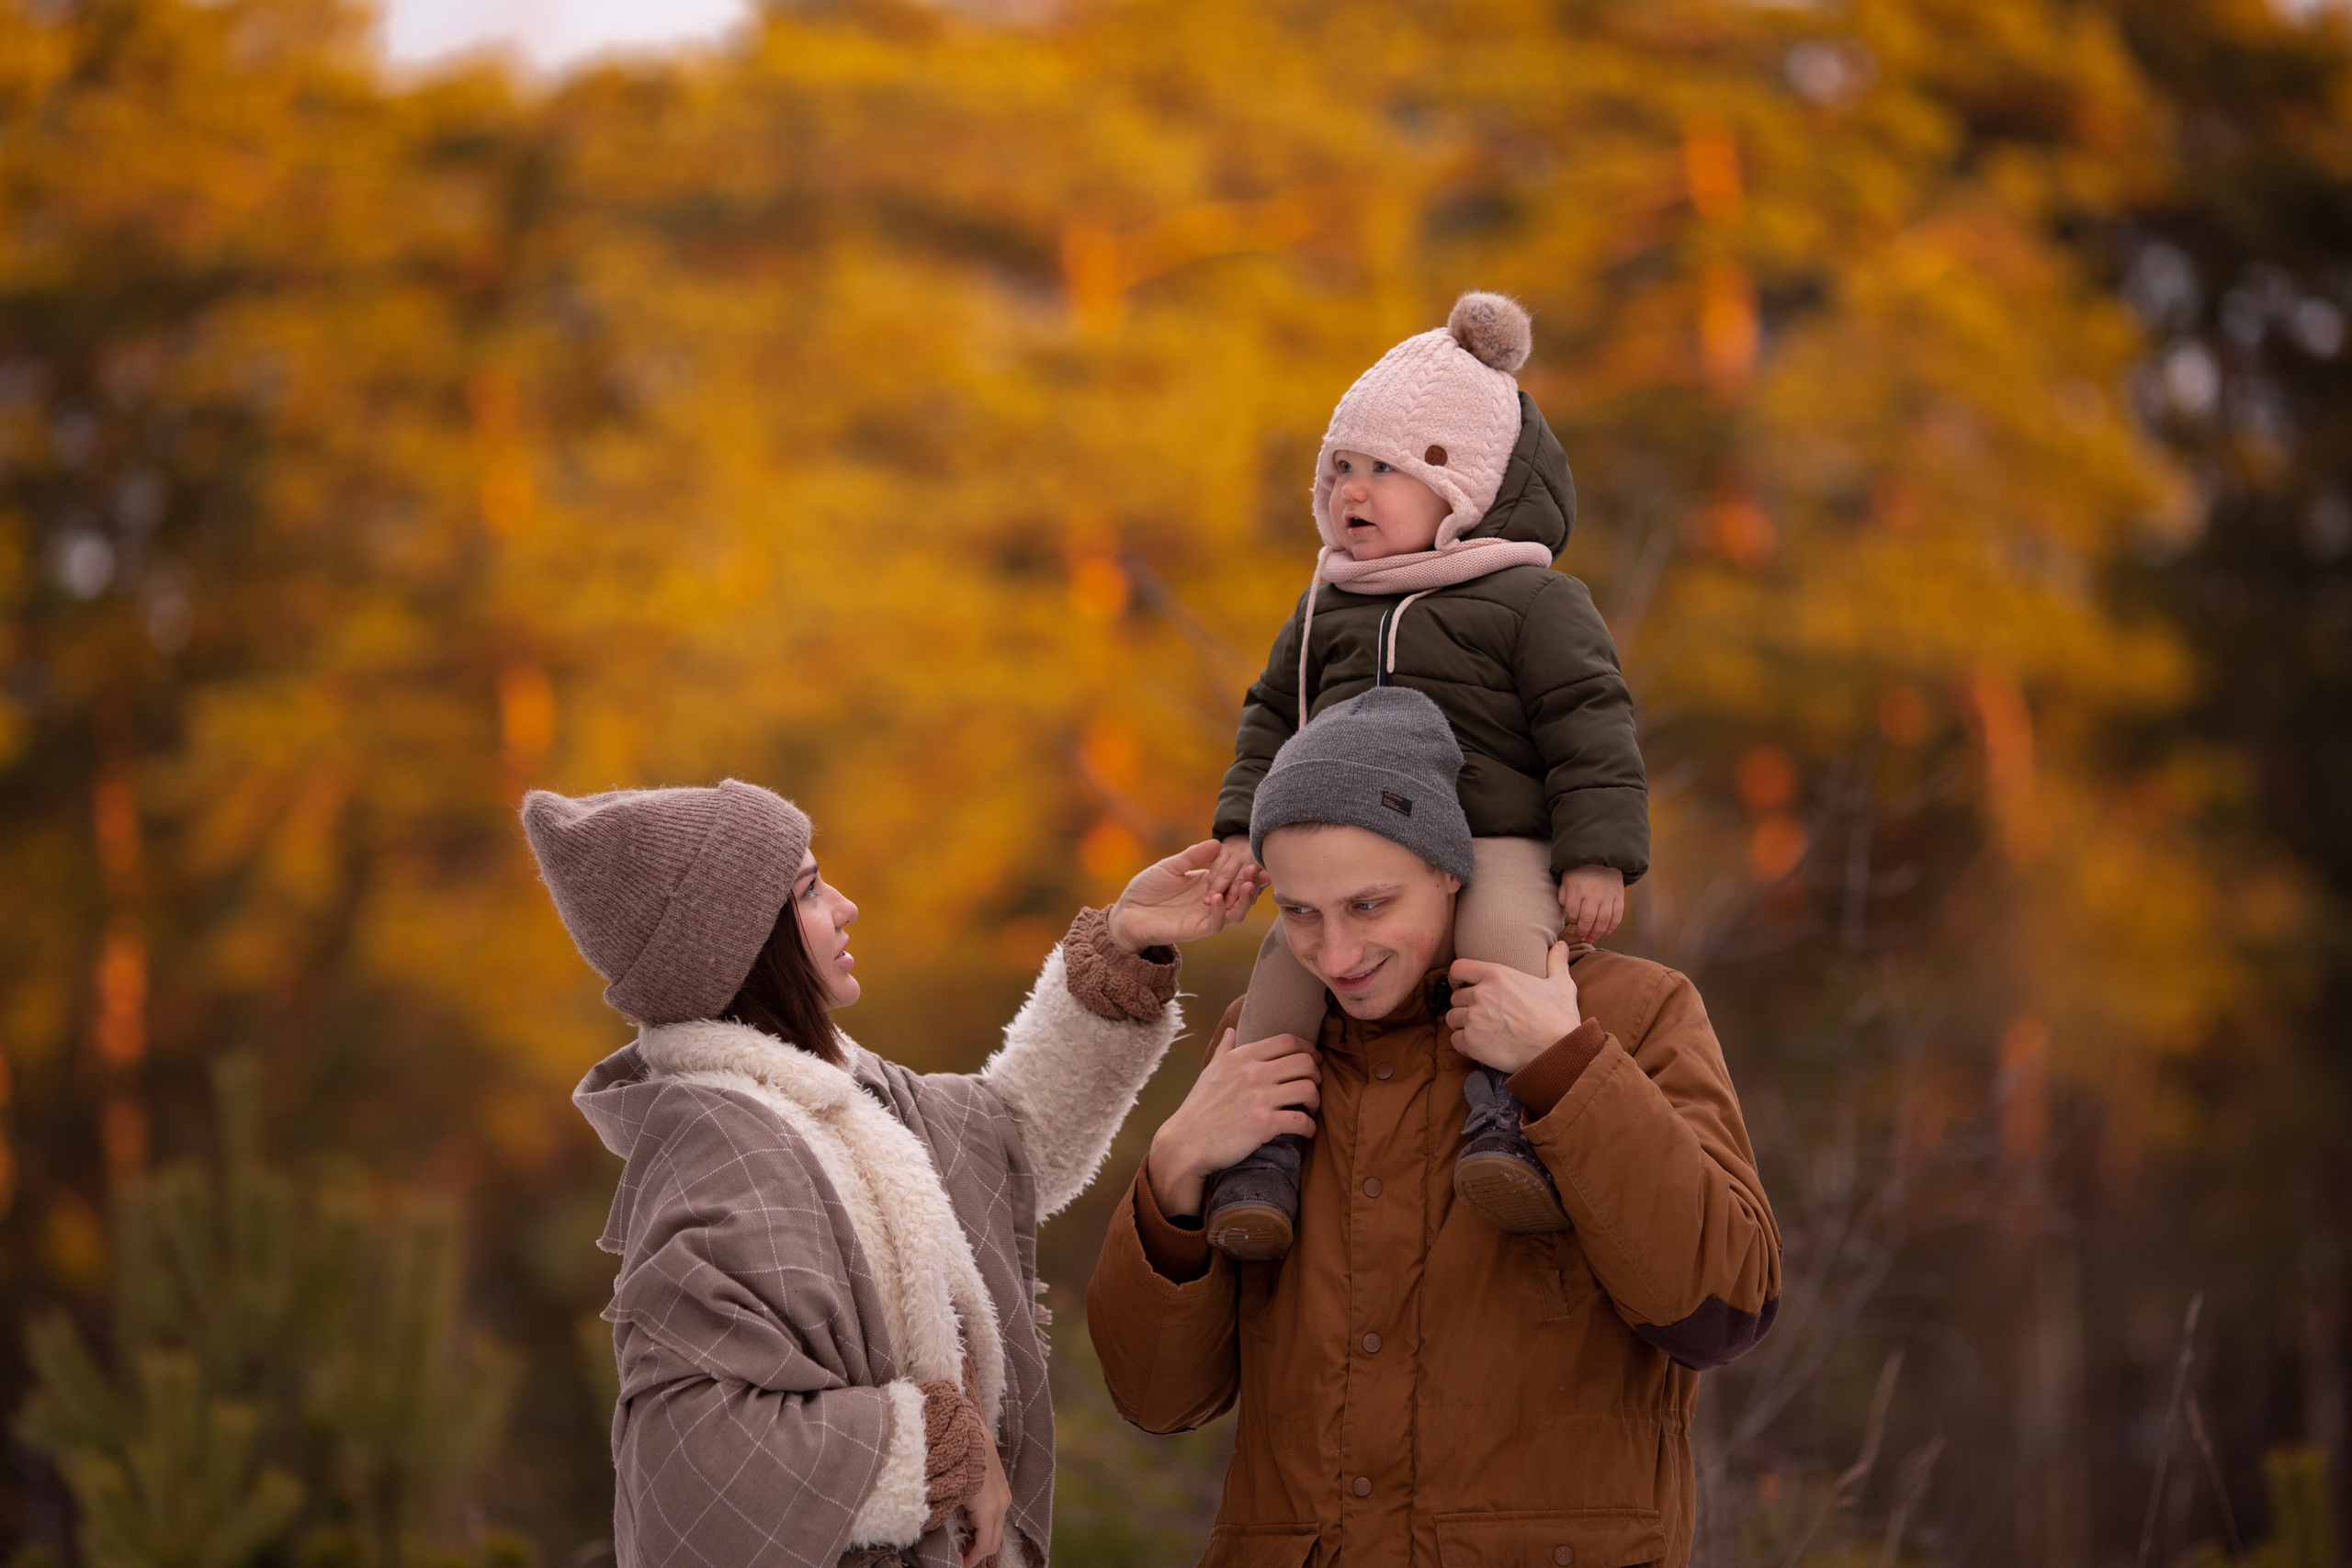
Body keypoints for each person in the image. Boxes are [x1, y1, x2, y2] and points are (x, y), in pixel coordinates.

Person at [1088, 689, 1778, 1568]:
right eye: (1299, 912)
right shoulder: (1269, 1047)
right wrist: (1175, 1170)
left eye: (1369, 905)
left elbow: (1726, 1306)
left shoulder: (1632, 1016)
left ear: (1450, 868)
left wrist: (1566, 1068)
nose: (1334, 954)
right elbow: (1155, 1395)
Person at [524, 778, 1250, 1568]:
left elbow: (1007, 1139)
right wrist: (937, 1445)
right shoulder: (723, 1157)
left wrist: (1125, 940)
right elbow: (694, 1468)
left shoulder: (837, 1099)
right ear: (737, 942)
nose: (844, 905)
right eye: (807, 891)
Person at [1198, 291, 1648, 1257]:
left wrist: (1595, 855)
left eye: (1385, 472)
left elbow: (1588, 721)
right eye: (1341, 470)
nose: (1351, 493)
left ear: (1464, 486)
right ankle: (1259, 1160)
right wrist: (1242, 825)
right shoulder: (1326, 605)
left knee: (1498, 944)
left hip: (1493, 837)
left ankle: (1507, 1126)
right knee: (1283, 969)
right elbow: (1271, 713)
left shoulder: (1529, 600)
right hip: (1345, 848)